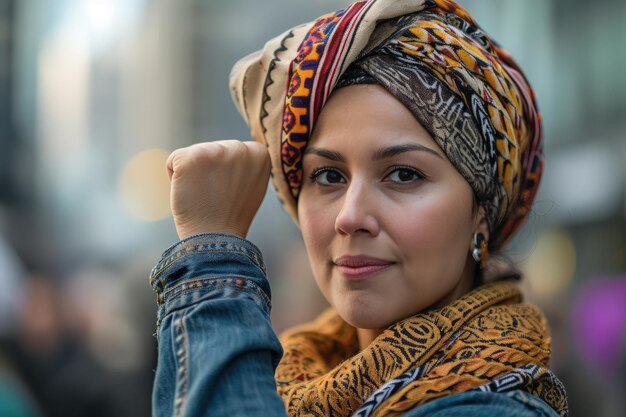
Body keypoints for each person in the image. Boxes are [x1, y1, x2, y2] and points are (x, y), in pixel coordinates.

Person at [150, 0, 568, 416]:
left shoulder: (492, 409)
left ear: (481, 211)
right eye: (328, 176)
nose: (350, 217)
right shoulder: (287, 376)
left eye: (404, 175)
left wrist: (212, 263)